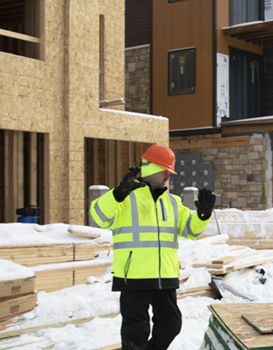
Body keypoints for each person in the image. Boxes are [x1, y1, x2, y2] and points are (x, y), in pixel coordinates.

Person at [89, 144, 215, 350]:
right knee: (135, 332)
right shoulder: (125, 198)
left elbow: (191, 231)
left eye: (169, 172)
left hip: (164, 276)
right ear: (150, 168)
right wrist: (117, 194)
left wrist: (202, 216)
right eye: (165, 170)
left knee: (171, 325)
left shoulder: (173, 202)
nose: (168, 176)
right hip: (133, 276)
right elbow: (99, 216)